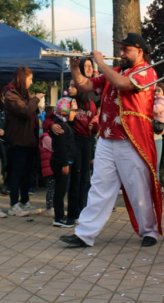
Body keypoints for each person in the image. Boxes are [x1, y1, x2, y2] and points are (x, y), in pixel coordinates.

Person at [59, 33, 163, 248]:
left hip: (132, 138)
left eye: (126, 50)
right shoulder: (113, 71)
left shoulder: (147, 71)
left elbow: (123, 84)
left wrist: (100, 62)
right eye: (121, 49)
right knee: (99, 186)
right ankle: (85, 234)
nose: (121, 53)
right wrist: (74, 68)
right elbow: (85, 86)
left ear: (140, 51)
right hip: (107, 137)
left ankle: (149, 230)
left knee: (138, 187)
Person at [44, 80, 99, 222]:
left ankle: (83, 212)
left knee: (84, 180)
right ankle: (73, 213)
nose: (69, 88)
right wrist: (51, 126)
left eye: (74, 86)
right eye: (69, 85)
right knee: (75, 179)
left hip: (87, 142)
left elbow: (96, 126)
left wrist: (94, 126)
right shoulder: (65, 102)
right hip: (73, 142)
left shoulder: (90, 104)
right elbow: (49, 120)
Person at [3, 66, 44, 217]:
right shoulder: (11, 94)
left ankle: (25, 202)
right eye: (30, 79)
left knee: (28, 172)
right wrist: (36, 99)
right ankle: (14, 205)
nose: (31, 83)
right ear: (22, 78)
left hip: (29, 139)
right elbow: (26, 111)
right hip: (18, 140)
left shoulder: (23, 94)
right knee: (17, 172)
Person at [49, 97, 78, 227]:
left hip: (63, 162)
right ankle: (58, 217)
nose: (75, 113)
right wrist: (65, 164)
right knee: (60, 191)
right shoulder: (60, 127)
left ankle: (60, 215)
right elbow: (61, 147)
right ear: (65, 111)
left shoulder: (65, 125)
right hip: (61, 163)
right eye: (72, 110)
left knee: (61, 190)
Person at [38, 130, 55, 217]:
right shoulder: (46, 138)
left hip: (51, 167)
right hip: (49, 167)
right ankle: (49, 207)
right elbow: (54, 147)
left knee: (53, 188)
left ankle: (53, 207)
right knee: (51, 188)